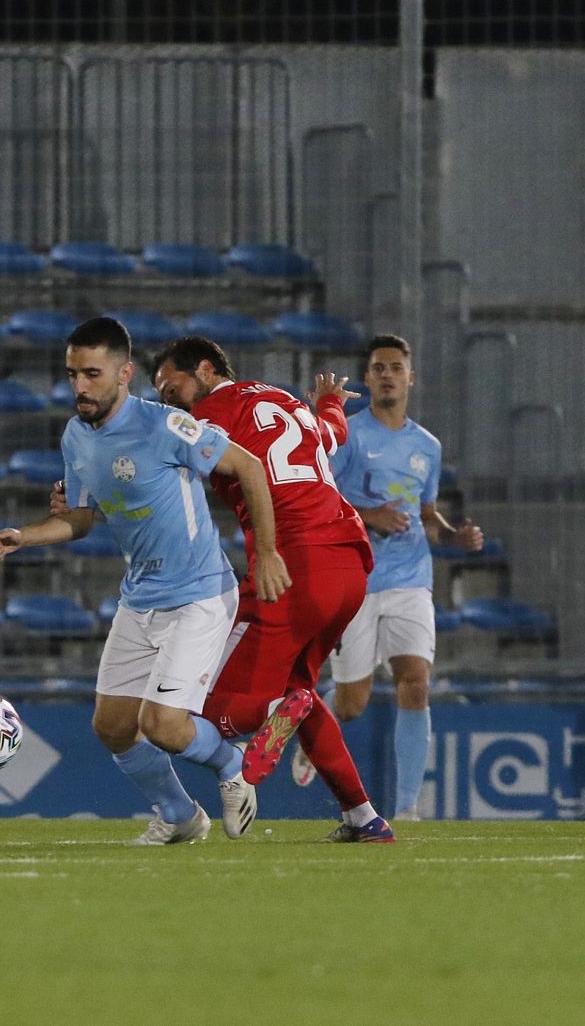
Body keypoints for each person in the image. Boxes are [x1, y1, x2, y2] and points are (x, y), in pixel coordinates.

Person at [0, 316, 285, 845]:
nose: (79, 386)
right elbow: (78, 519)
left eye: (92, 374)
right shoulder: (75, 436)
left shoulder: (166, 425)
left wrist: (267, 553)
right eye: (73, 373)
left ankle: (231, 760)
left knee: (163, 726)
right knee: (112, 726)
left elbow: (251, 468)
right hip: (140, 598)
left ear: (124, 373)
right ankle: (180, 816)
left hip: (198, 594)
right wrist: (22, 536)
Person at [145, 335, 394, 843]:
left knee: (198, 712)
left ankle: (270, 713)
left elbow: (170, 467)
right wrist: (326, 402)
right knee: (298, 692)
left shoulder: (210, 416)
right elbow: (331, 434)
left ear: (208, 370)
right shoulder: (283, 401)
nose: (168, 400)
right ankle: (363, 816)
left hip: (291, 565)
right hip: (349, 563)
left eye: (173, 387)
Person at [324, 333, 484, 821]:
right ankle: (314, 729)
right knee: (352, 703)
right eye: (378, 367)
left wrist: (453, 536)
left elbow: (427, 514)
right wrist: (368, 516)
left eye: (396, 367)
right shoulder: (347, 435)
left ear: (410, 378)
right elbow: (319, 497)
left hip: (411, 578)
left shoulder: (427, 446)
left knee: (415, 682)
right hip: (356, 579)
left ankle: (409, 808)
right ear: (369, 378)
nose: (388, 374)